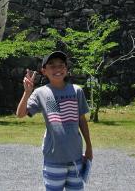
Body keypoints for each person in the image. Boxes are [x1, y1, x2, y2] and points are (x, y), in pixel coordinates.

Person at [16, 51, 93, 190]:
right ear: (44, 71)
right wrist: (27, 92)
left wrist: (89, 146)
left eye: (61, 65)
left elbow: (82, 120)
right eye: (52, 66)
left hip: (75, 157)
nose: (57, 69)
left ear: (66, 69)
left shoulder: (77, 91)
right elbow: (20, 114)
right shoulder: (40, 93)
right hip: (53, 159)